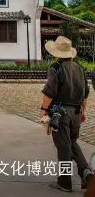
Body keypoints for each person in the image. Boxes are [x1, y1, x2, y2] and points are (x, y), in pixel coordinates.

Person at [40, 36, 92, 192]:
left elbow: (49, 92)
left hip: (59, 113)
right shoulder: (80, 69)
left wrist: (43, 109)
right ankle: (86, 173)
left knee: (64, 146)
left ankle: (64, 181)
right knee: (72, 142)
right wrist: (83, 112)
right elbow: (85, 94)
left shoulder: (56, 68)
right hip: (76, 111)